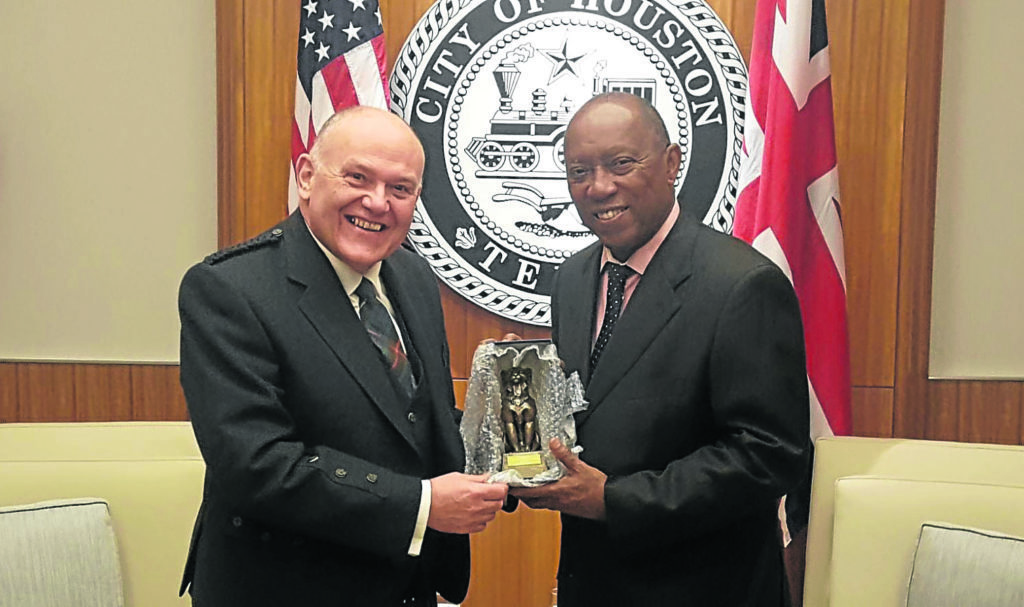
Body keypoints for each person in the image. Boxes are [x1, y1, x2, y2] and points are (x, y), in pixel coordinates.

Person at [177, 106, 507, 606]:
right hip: (285, 588)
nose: (377, 203)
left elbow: (415, 424)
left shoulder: (413, 279)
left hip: (402, 585)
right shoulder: (230, 290)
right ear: (307, 176)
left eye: (401, 189)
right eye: (357, 177)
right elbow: (257, 464)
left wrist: (510, 447)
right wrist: (421, 507)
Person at [509, 92, 811, 606]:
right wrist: (521, 416)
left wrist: (613, 500)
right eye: (579, 170)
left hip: (705, 590)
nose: (599, 187)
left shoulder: (742, 285)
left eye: (621, 163)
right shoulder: (575, 279)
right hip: (594, 584)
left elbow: (768, 456)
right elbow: (595, 410)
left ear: (672, 162)